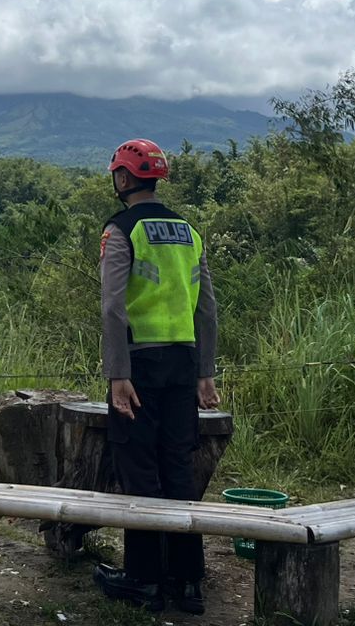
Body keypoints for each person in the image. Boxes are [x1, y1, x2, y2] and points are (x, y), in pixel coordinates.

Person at [94, 139, 220, 616]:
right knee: (179, 467)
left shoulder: (121, 229)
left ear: (123, 179)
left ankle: (143, 578)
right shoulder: (188, 230)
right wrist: (205, 372)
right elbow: (206, 308)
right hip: (184, 361)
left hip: (139, 364)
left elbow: (112, 306)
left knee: (139, 467)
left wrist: (117, 375)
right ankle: (187, 582)